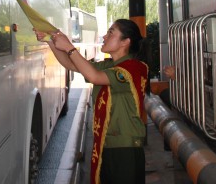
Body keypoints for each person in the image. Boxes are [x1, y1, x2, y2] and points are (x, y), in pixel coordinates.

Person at [35, 19, 149, 184]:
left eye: (111, 33)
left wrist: (69, 47)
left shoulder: (133, 68)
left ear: (125, 42)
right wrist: (50, 41)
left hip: (125, 150)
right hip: (106, 146)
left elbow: (94, 77)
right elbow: (71, 64)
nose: (104, 36)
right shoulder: (110, 65)